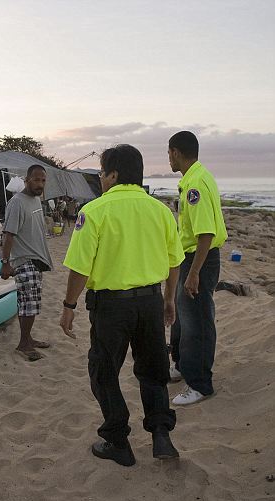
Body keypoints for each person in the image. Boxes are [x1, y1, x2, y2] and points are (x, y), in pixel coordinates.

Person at [60, 144, 184, 466]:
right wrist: (169, 299)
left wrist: (69, 305)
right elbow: (174, 263)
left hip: (111, 307)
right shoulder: (161, 211)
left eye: (101, 173)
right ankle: (161, 434)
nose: (100, 179)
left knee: (103, 372)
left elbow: (80, 268)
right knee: (154, 370)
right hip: (150, 302)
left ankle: (117, 441)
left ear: (113, 174)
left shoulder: (96, 211)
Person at [167, 131, 227, 405]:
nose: (168, 158)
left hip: (199, 259)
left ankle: (200, 384)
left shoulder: (196, 185)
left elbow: (206, 233)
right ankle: (180, 365)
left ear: (176, 152)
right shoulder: (194, 177)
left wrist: (193, 273)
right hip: (188, 257)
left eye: (169, 153)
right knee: (182, 317)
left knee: (198, 322)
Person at [1, 164, 53, 362]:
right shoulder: (17, 202)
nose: (40, 184)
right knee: (28, 305)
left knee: (31, 304)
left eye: (43, 180)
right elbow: (8, 235)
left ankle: (28, 339)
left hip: (37, 261)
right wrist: (5, 263)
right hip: (24, 261)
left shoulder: (36, 200)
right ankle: (23, 344)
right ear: (27, 179)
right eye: (37, 180)